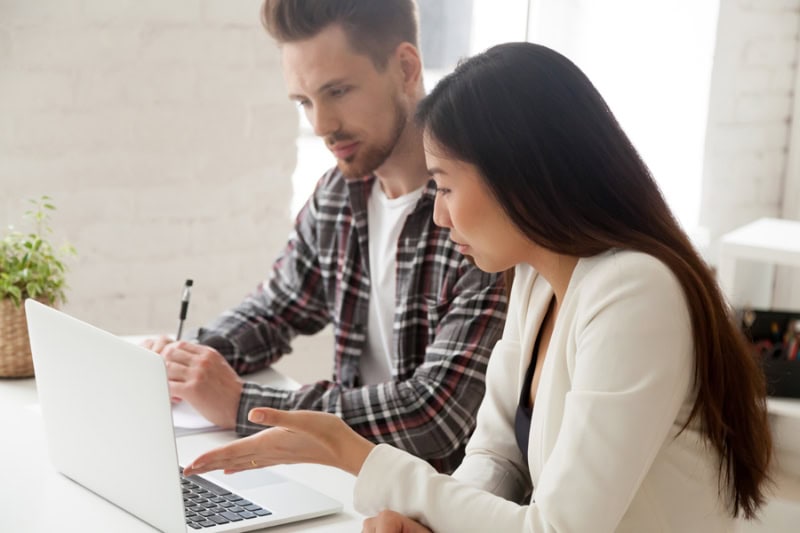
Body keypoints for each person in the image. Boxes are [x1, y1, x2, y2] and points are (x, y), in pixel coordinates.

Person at [183, 42, 773, 532]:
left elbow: (559, 528)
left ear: (518, 172)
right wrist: (425, 519)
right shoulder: (536, 283)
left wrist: (360, 457)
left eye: (442, 186)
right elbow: (496, 458)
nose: (438, 216)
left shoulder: (634, 291)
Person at [143, 0, 507, 475]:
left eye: (337, 91)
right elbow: (277, 308)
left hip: (437, 506)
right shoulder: (340, 192)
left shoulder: (481, 213)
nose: (320, 126)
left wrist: (242, 403)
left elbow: (434, 416)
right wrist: (185, 359)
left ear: (405, 68)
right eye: (304, 101)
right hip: (348, 483)